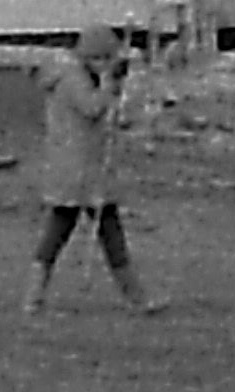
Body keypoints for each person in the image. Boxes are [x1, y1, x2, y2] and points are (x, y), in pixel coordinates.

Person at [25, 25, 163, 316]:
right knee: (100, 231)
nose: (106, 64)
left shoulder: (74, 75)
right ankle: (136, 298)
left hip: (79, 167)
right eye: (104, 59)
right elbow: (92, 108)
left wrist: (114, 88)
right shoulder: (72, 79)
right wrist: (109, 85)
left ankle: (33, 298)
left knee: (62, 231)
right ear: (91, 56)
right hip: (80, 171)